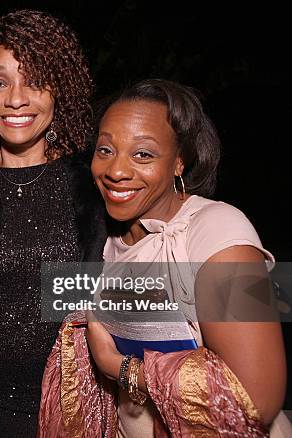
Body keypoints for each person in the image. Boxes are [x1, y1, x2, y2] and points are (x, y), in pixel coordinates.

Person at [39, 79, 289, 437]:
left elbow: (256, 399)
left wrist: (120, 367)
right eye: (106, 150)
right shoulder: (99, 238)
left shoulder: (218, 232)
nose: (116, 171)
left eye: (143, 154)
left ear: (179, 162)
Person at [0, 9, 106, 437]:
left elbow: (138, 279)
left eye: (35, 80)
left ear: (60, 89)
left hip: (73, 406)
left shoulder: (96, 181)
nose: (15, 99)